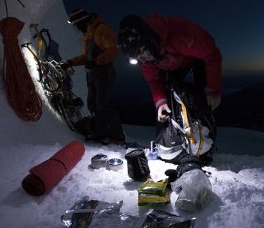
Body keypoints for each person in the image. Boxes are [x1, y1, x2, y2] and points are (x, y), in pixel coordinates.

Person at [116, 13, 222, 142]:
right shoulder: (146, 58)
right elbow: (154, 80)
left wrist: (213, 90)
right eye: (139, 60)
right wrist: (160, 102)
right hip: (172, 65)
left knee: (204, 99)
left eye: (143, 56)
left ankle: (204, 143)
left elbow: (211, 54)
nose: (143, 61)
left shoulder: (180, 34)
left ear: (149, 43)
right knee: (168, 100)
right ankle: (169, 142)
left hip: (196, 58)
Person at [59, 9, 126, 145]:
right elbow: (86, 57)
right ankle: (102, 132)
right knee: (93, 104)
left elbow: (114, 50)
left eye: (77, 24)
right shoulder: (88, 34)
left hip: (104, 73)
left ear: (83, 21)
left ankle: (116, 136)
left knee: (104, 104)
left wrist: (96, 62)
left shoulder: (101, 30)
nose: (77, 28)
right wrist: (70, 62)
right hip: (93, 74)